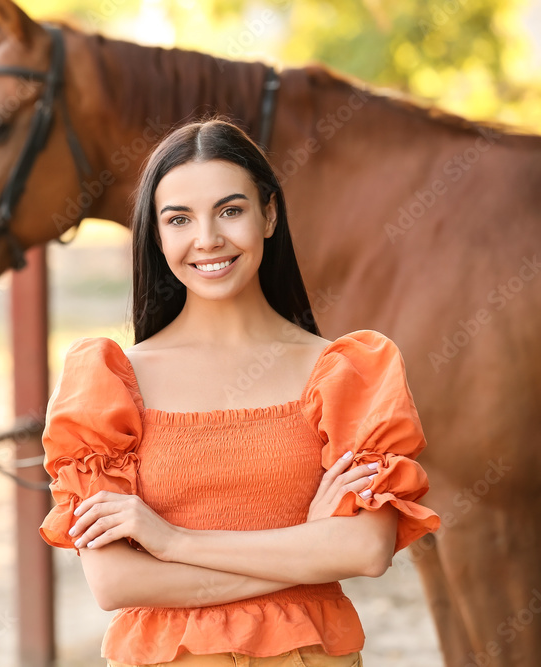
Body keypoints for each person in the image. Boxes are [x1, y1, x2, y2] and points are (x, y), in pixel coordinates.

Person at [39, 119, 441, 667]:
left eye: (230, 210)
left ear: (269, 214)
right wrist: (309, 545)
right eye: (179, 219)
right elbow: (115, 582)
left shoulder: (349, 372)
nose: (208, 239)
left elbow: (366, 550)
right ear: (157, 235)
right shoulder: (107, 382)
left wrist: (172, 542)